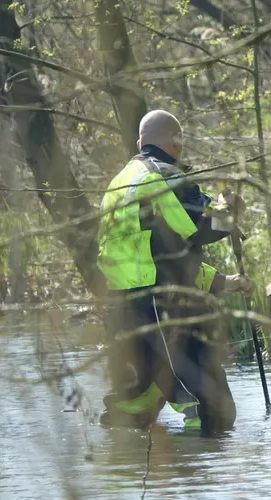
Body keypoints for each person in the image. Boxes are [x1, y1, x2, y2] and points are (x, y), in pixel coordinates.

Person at [96, 110, 252, 433]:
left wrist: (225, 282)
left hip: (124, 306)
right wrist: (232, 210)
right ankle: (192, 472)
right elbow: (203, 225)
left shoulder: (119, 182)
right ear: (177, 145)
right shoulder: (165, 177)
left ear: (140, 143)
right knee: (214, 412)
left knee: (160, 383)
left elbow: (166, 255)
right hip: (161, 308)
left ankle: (133, 408)